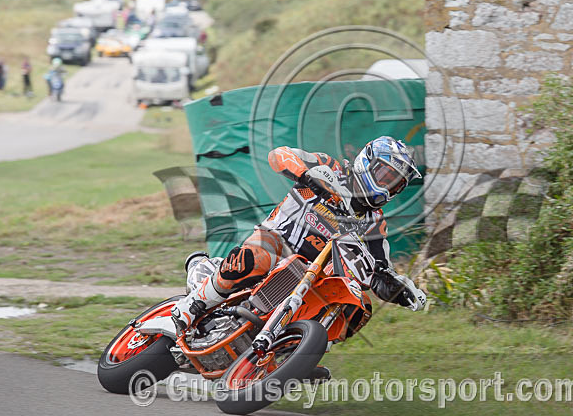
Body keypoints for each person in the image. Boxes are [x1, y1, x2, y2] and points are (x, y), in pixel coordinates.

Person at [170, 137, 427, 367]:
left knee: (359, 307)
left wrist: (393, 288)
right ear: (366, 162)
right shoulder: (332, 168)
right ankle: (191, 306)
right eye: (386, 175)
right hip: (277, 242)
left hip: (313, 274)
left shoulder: (375, 222)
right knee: (254, 259)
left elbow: (379, 267)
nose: (388, 186)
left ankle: (293, 355)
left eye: (395, 184)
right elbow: (279, 155)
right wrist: (307, 175)